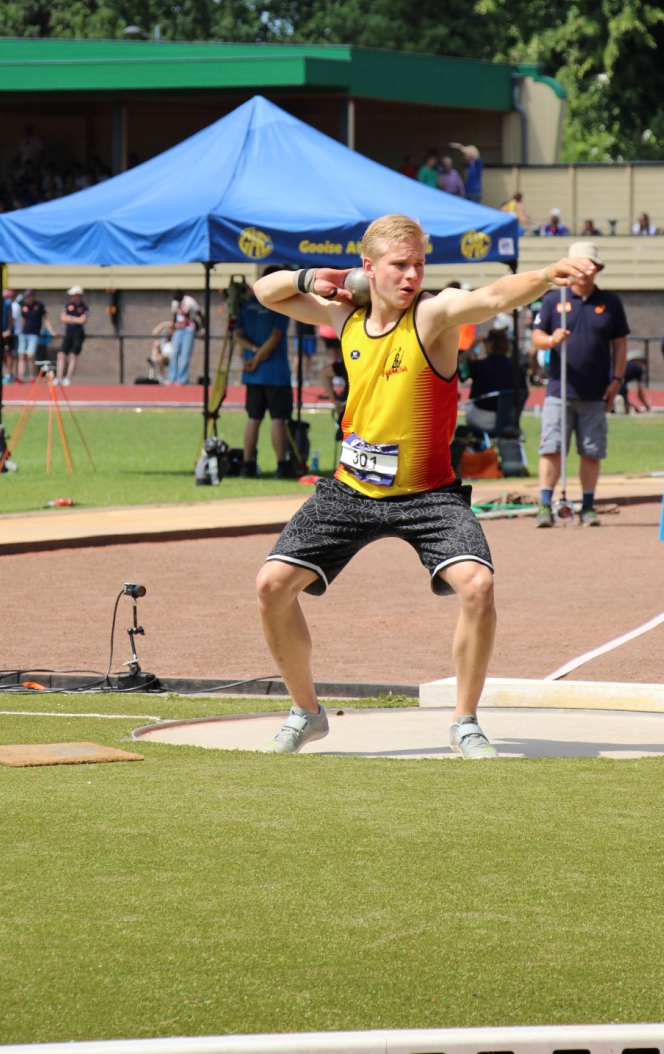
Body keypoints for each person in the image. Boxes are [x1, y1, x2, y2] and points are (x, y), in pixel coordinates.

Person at [252, 214, 591, 758]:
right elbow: (265, 291)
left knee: (477, 586)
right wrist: (311, 277)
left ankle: (464, 722)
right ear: (368, 268)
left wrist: (548, 275)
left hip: (428, 493)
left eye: (419, 265)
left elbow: (492, 296)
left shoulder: (432, 316)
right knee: (272, 586)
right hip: (350, 489)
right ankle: (306, 712)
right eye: (399, 265)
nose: (412, 276)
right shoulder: (345, 315)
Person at [532, 239, 629, 527]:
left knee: (591, 450)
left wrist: (617, 379)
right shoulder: (553, 300)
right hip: (560, 390)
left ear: (597, 269)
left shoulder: (610, 302)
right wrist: (552, 340)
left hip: (595, 391)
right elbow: (537, 337)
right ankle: (545, 504)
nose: (584, 271)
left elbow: (620, 344)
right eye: (579, 265)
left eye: (590, 266)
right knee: (551, 447)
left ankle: (588, 505)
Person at [234, 270, 293, 478]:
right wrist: (259, 357)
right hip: (276, 373)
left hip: (254, 374)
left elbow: (237, 335)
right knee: (278, 419)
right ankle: (282, 465)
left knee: (253, 418)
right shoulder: (280, 306)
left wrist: (253, 354)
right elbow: (275, 337)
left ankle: (247, 465)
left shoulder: (247, 305)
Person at [464, 327, 527, 434]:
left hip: (482, 418)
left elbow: (458, 370)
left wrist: (472, 347)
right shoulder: (518, 369)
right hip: (509, 420)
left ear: (490, 344)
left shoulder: (480, 366)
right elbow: (523, 393)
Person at [167, 292, 202, 385]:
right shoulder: (174, 303)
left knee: (185, 355)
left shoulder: (189, 301)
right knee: (174, 354)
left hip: (189, 330)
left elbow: (199, 313)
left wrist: (202, 328)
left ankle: (181, 379)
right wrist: (172, 328)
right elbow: (174, 316)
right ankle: (172, 378)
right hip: (178, 330)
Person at [57, 286, 88, 386]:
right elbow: (62, 318)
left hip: (78, 334)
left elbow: (83, 320)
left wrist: (69, 318)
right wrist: (75, 319)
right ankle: (59, 378)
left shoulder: (84, 307)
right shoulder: (68, 305)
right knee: (61, 355)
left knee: (73, 355)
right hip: (68, 333)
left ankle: (68, 378)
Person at [17, 290, 46, 381]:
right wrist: (19, 330)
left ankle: (32, 375)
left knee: (30, 355)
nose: (28, 299)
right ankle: (21, 376)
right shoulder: (23, 306)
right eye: (26, 297)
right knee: (22, 354)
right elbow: (22, 319)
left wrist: (51, 329)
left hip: (34, 333)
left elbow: (45, 318)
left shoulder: (39, 306)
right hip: (23, 333)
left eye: (29, 296)